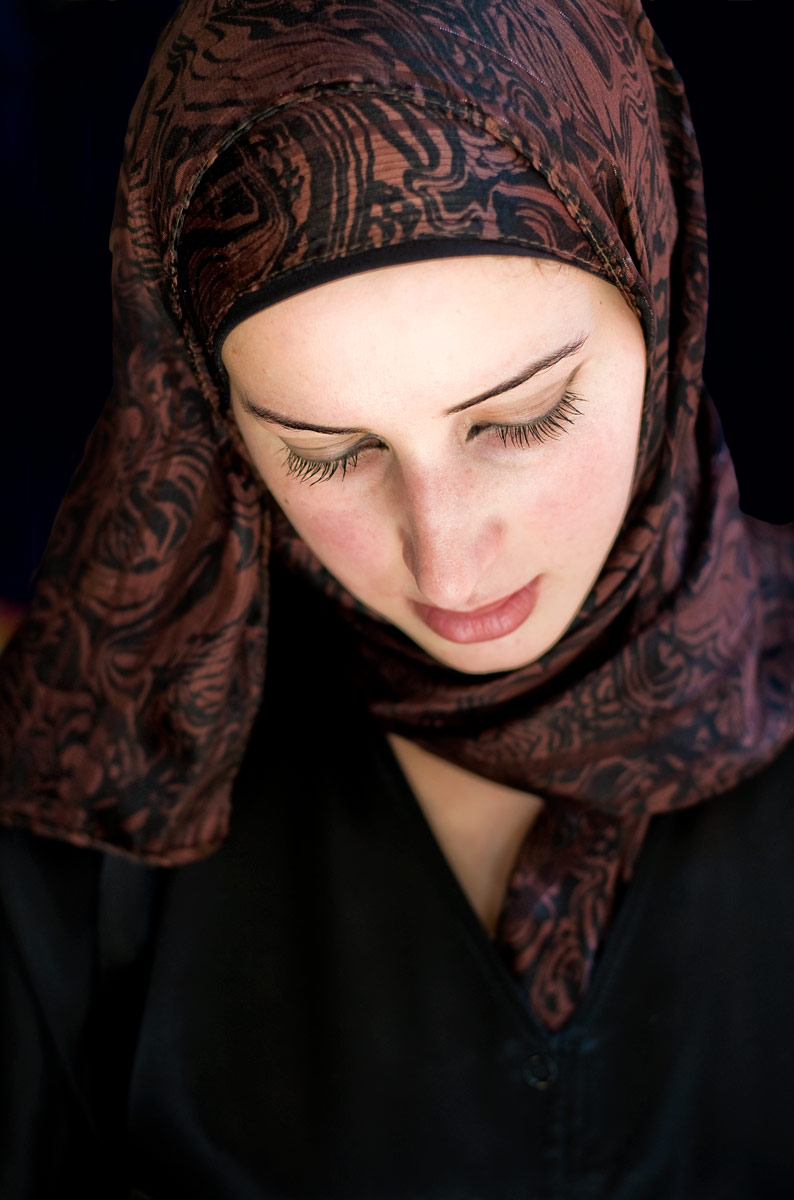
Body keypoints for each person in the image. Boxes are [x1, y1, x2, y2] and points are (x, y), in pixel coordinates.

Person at [1, 1, 792, 1196]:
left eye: (520, 419)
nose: (448, 567)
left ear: (663, 298)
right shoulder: (86, 811)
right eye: (327, 454)